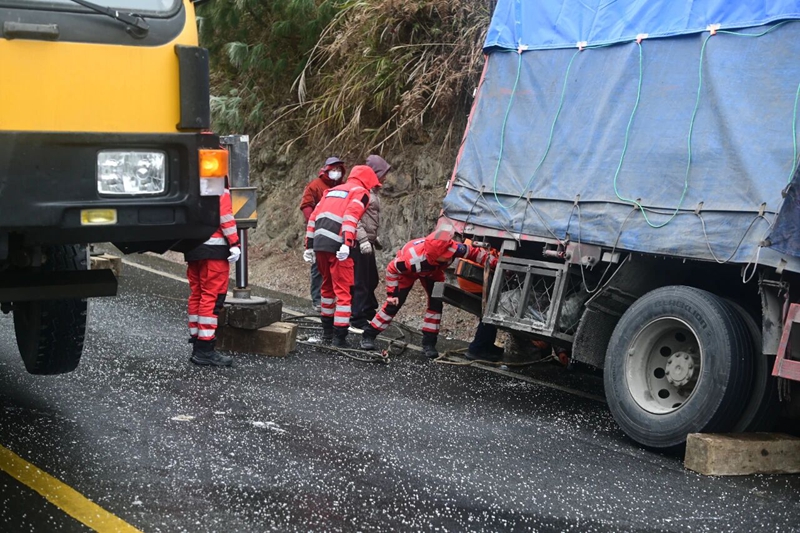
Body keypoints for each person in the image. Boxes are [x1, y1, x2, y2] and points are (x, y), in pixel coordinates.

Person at [360, 225, 498, 358]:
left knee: (436, 304)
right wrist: (392, 294)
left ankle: (429, 343)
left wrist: (496, 263)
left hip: (433, 272)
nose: (450, 256)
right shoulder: (410, 260)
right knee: (393, 305)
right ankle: (369, 335)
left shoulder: (453, 247)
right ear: (434, 256)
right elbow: (391, 270)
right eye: (446, 255)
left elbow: (476, 254)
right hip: (408, 273)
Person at [303, 165, 380, 347]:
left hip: (321, 244)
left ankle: (327, 334)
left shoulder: (331, 191)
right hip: (338, 246)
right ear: (367, 181)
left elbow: (314, 216)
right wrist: (346, 243)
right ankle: (339, 337)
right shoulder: (360, 192)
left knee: (327, 289)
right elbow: (351, 217)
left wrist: (309, 245)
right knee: (343, 292)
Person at [184, 186, 241, 367]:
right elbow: (225, 218)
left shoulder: (189, 187)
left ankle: (197, 342)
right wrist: (235, 243)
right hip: (214, 251)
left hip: (193, 248)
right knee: (212, 296)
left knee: (197, 295)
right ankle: (205, 349)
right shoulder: (218, 189)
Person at [299, 157, 346, 310]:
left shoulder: (343, 187)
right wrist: (315, 224)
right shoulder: (315, 186)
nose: (336, 173)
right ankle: (318, 299)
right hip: (319, 231)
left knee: (336, 265)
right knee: (318, 266)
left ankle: (332, 298)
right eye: (334, 170)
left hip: (337, 232)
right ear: (326, 170)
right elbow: (306, 205)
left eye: (339, 170)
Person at [351, 155, 391, 328]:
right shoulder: (362, 191)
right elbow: (354, 217)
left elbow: (370, 218)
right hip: (359, 242)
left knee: (371, 279)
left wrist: (374, 237)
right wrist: (364, 239)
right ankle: (357, 317)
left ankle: (367, 310)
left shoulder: (372, 190)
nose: (386, 177)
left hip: (367, 241)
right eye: (383, 173)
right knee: (360, 281)